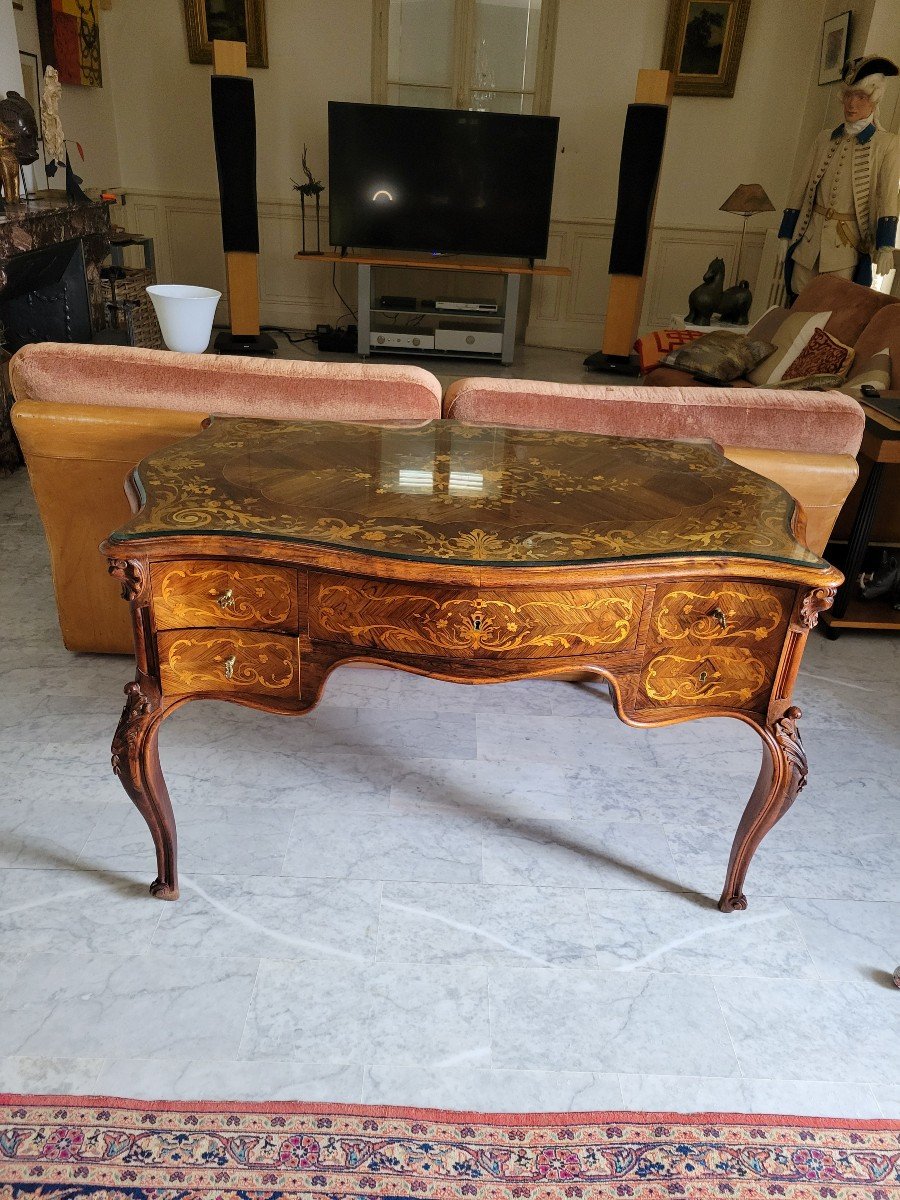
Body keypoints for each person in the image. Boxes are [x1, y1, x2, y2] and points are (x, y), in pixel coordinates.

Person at [778, 55, 900, 299]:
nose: (852, 104)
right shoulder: (825, 138)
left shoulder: (886, 144)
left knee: (830, 312)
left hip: (845, 250)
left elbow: (888, 196)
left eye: (861, 97)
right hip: (808, 241)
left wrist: (886, 246)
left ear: (875, 100)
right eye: (848, 95)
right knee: (795, 305)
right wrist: (785, 233)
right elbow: (800, 188)